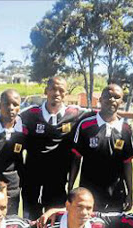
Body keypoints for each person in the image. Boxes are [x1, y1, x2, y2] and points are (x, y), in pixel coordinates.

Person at [69, 84, 133, 228]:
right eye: (108, 96)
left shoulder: (126, 128)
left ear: (121, 101)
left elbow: (127, 164)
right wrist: (70, 187)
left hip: (115, 193)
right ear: (101, 99)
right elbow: (75, 160)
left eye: (117, 97)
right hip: (88, 195)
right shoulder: (85, 125)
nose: (112, 100)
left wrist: (130, 193)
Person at [20, 76, 88, 219]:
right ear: (46, 91)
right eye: (53, 89)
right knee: (31, 221)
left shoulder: (75, 114)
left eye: (61, 90)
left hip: (58, 180)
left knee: (54, 221)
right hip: (32, 178)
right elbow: (5, 117)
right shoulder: (30, 114)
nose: (56, 93)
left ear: (65, 94)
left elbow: (103, 114)